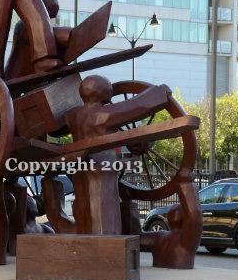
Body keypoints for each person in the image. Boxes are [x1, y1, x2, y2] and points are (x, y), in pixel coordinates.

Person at [64, 75, 172, 235]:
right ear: (104, 93)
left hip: (80, 164)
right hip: (102, 164)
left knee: (83, 200)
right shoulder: (101, 114)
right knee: (104, 201)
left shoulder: (72, 116)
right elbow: (137, 106)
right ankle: (106, 242)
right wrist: (161, 92)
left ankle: (85, 240)